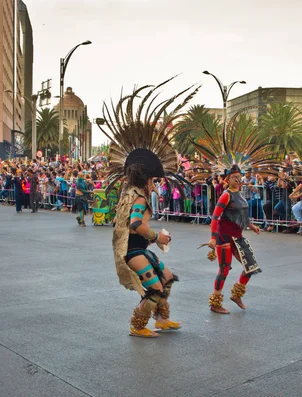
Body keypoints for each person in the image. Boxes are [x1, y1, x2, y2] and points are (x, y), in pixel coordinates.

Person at [107, 80, 195, 338]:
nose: (156, 185)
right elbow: (135, 225)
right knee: (155, 289)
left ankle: (161, 319)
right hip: (134, 252)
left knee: (167, 279)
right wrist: (158, 237)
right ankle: (138, 325)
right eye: (154, 181)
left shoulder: (130, 193)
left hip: (138, 249)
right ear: (146, 180)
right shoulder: (140, 199)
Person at [207, 165, 262, 314]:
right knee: (224, 269)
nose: (237, 180)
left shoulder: (240, 193)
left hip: (237, 237)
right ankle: (215, 302)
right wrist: (213, 238)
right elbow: (215, 217)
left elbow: (241, 216)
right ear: (227, 179)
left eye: (238, 177)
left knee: (250, 267)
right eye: (233, 177)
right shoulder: (226, 195)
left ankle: (236, 295)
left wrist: (251, 226)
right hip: (223, 236)